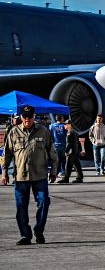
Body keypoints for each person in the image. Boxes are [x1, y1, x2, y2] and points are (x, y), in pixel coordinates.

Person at [1, 105, 58, 245]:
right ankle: (25, 235)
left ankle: (39, 231)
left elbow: (52, 153)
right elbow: (7, 154)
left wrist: (54, 171)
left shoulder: (43, 131)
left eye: (30, 117)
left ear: (34, 116)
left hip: (40, 176)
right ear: (21, 117)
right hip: (21, 177)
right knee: (21, 207)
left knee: (44, 202)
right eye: (25, 117)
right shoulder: (14, 132)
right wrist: (4, 173)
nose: (27, 119)